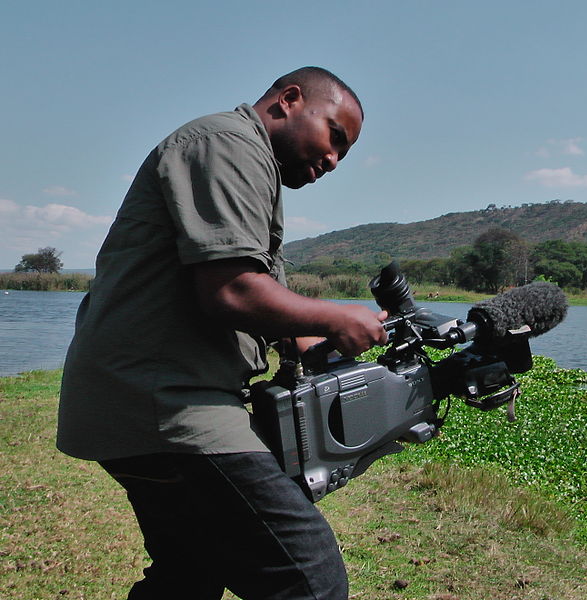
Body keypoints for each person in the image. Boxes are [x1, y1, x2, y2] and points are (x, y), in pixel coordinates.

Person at [57, 66, 387, 600]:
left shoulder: (253, 166)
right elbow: (231, 290)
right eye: (334, 137)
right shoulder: (225, 144)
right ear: (289, 99)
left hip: (146, 394)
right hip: (165, 402)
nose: (332, 160)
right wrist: (334, 315)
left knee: (189, 574)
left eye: (343, 155)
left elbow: (270, 307)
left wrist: (330, 345)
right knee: (308, 579)